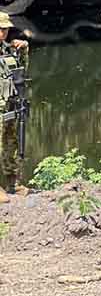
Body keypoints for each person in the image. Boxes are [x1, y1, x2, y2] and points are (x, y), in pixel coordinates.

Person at [0, 12, 28, 204]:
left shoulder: (8, 50)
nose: (3, 33)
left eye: (6, 29)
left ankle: (12, 184)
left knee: (10, 145)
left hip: (9, 107)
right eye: (0, 29)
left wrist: (24, 50)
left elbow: (21, 73)